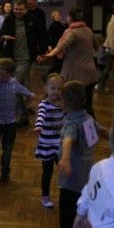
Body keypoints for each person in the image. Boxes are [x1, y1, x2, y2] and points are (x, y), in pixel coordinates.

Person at [54, 81, 109, 228]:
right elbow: (102, 131)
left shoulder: (71, 122)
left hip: (71, 182)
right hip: (86, 180)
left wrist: (65, 159)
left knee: (68, 219)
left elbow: (68, 139)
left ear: (64, 101)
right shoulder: (88, 118)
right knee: (80, 214)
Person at [0, 0, 46, 126]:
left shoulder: (32, 20)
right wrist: (4, 37)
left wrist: (42, 53)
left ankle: (10, 116)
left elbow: (41, 36)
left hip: (26, 59)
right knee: (16, 86)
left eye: (21, 9)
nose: (18, 11)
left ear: (26, 9)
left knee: (14, 84)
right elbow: (0, 34)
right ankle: (24, 115)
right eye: (16, 9)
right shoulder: (9, 19)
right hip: (11, 59)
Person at [46, 7, 100, 117]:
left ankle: (73, 126)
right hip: (90, 73)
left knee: (73, 105)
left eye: (67, 16)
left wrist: (50, 54)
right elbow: (97, 47)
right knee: (88, 106)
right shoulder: (88, 30)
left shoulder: (72, 32)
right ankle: (91, 127)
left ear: (70, 17)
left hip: (75, 75)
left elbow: (62, 46)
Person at [32, 73, 65, 208]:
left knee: (63, 171)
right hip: (47, 144)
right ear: (46, 88)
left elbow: (67, 117)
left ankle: (65, 195)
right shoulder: (43, 104)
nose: (56, 91)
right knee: (47, 172)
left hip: (60, 144)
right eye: (53, 88)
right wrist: (39, 126)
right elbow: (40, 116)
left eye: (59, 88)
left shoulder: (63, 104)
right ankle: (45, 197)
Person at [46, 10, 67, 76]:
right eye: (56, 15)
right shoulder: (52, 26)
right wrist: (49, 45)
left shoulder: (63, 25)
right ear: (53, 17)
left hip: (62, 46)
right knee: (59, 62)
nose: (58, 16)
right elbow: (48, 36)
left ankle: (54, 75)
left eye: (59, 15)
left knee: (60, 62)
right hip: (55, 46)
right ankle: (49, 74)